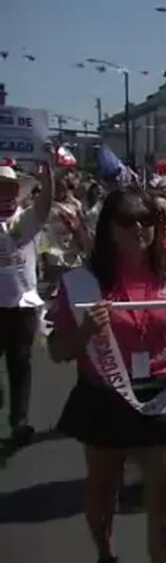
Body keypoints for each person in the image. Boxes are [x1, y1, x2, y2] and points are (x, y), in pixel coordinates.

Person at [47, 188, 166, 563]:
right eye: (127, 220)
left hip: (164, 398)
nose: (139, 227)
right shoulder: (81, 283)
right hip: (105, 396)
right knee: (101, 490)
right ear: (108, 227)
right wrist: (84, 332)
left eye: (146, 219)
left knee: (164, 502)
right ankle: (105, 553)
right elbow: (57, 351)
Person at [0, 159, 54, 447]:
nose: (4, 193)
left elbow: (45, 204)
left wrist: (48, 174)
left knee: (20, 364)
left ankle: (19, 421)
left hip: (22, 306)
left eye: (9, 188)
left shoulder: (26, 220)